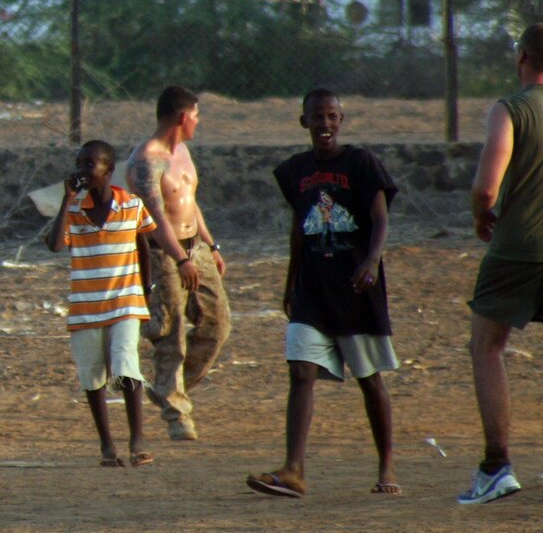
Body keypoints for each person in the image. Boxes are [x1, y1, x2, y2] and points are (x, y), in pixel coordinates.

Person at [246, 88, 400, 499]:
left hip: (354, 288)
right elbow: (299, 226)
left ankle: (386, 465)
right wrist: (290, 280)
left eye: (332, 116)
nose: (325, 124)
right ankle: (293, 469)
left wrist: (371, 260)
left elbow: (379, 215)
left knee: (369, 380)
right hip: (312, 289)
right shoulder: (296, 170)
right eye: (317, 117)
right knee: (300, 370)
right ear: (304, 122)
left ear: (341, 120)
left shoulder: (362, 163)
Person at [457, 24, 543, 505]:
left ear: (522, 57)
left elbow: (486, 187)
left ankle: (496, 465)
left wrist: (480, 215)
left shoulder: (509, 110)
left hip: (517, 248)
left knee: (487, 346)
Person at [126, 85, 230, 441]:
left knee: (217, 325)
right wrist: (180, 258)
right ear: (183, 117)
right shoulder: (145, 161)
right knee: (171, 335)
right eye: (197, 116)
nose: (198, 123)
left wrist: (210, 244)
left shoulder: (183, 153)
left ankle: (168, 388)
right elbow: (154, 217)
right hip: (163, 252)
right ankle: (177, 415)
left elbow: (190, 203)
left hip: (194, 246)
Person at [45, 140, 157, 467]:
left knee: (126, 364)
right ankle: (107, 444)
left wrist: (145, 291)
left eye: (90, 164)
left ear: (109, 170)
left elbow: (144, 247)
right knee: (92, 375)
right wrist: (67, 199)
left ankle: (137, 438)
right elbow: (54, 245)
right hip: (86, 305)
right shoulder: (74, 210)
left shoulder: (131, 205)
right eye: (80, 164)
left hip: (125, 301)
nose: (83, 170)